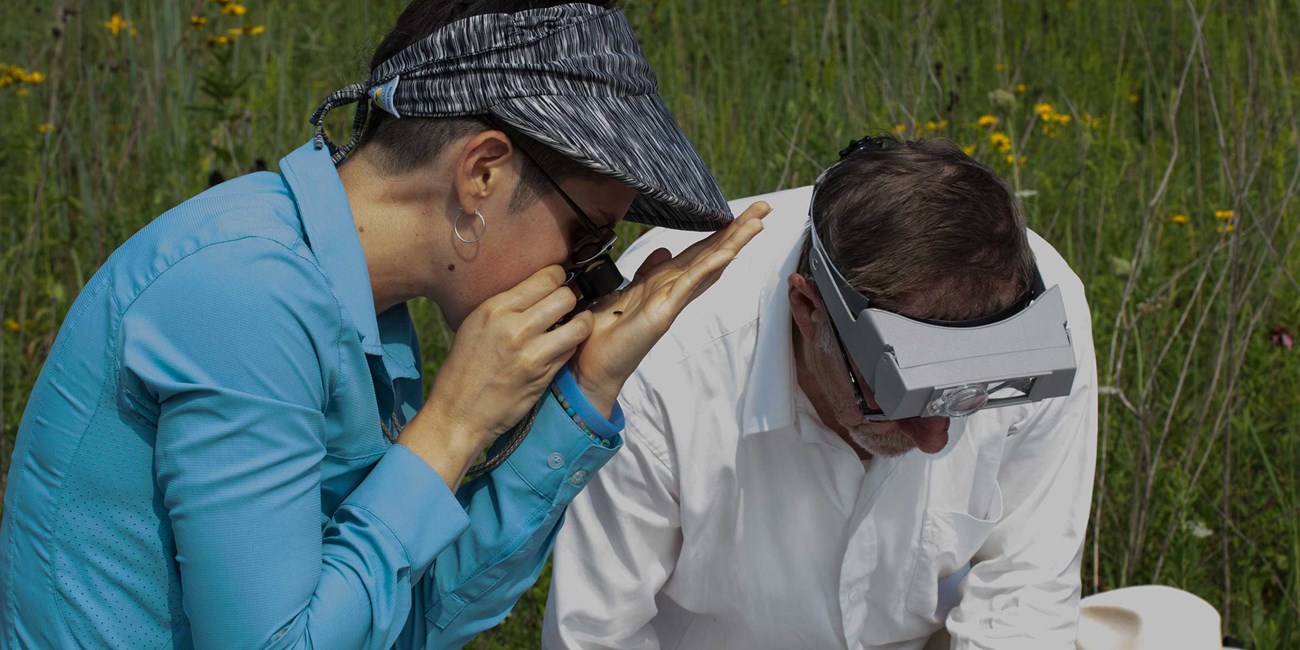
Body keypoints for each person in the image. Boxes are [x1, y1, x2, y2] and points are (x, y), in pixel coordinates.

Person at [0, 2, 769, 648]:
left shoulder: (367, 306)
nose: (589, 277)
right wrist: (450, 430)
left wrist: (589, 387)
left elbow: (412, 619)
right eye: (589, 237)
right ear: (483, 173)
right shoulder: (246, 295)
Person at [543, 135, 1099, 649]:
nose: (935, 439)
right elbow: (596, 635)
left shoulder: (1049, 321)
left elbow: (1024, 590)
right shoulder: (656, 357)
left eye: (969, 397)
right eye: (897, 397)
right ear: (807, 310)